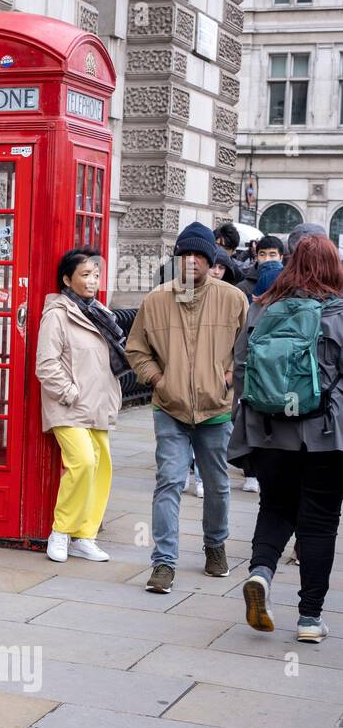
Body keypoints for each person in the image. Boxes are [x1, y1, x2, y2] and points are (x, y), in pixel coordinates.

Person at [230, 233, 343, 644]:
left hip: (270, 431)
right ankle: (310, 618)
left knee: (275, 507)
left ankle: (261, 572)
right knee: (319, 523)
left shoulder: (263, 309)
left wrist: (245, 425)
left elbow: (240, 368)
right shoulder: (339, 312)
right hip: (325, 436)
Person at [126, 221, 248, 594]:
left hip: (216, 410)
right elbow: (136, 349)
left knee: (217, 485)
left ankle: (215, 546)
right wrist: (159, 380)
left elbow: (246, 350)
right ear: (177, 258)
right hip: (170, 408)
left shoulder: (233, 298)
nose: (192, 260)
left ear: (212, 259)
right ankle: (163, 562)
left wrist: (227, 379)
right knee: (169, 483)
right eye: (186, 254)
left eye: (199, 254)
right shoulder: (157, 300)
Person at [35, 247, 125, 563]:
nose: (92, 281)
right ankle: (60, 532)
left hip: (98, 403)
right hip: (69, 405)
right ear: (67, 279)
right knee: (83, 462)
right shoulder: (57, 314)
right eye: (85, 275)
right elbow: (46, 364)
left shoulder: (101, 313)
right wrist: (70, 393)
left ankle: (85, 536)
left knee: (102, 468)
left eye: (96, 275)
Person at [237, 235, 285, 302]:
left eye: (272, 255)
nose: (267, 259)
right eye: (262, 254)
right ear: (257, 257)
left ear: (281, 258)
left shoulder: (289, 284)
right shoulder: (243, 288)